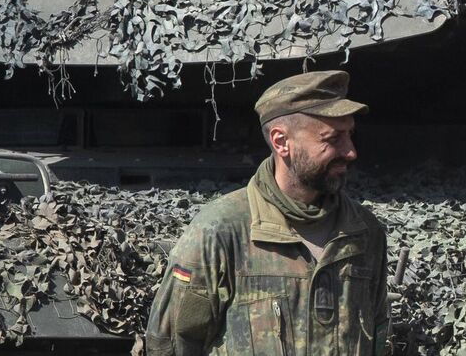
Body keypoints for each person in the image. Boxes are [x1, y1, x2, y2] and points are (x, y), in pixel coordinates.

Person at [144, 70, 389, 356]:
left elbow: (378, 336)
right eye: (333, 138)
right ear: (281, 142)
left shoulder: (364, 232)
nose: (350, 152)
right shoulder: (222, 232)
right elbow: (170, 345)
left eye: (350, 135)